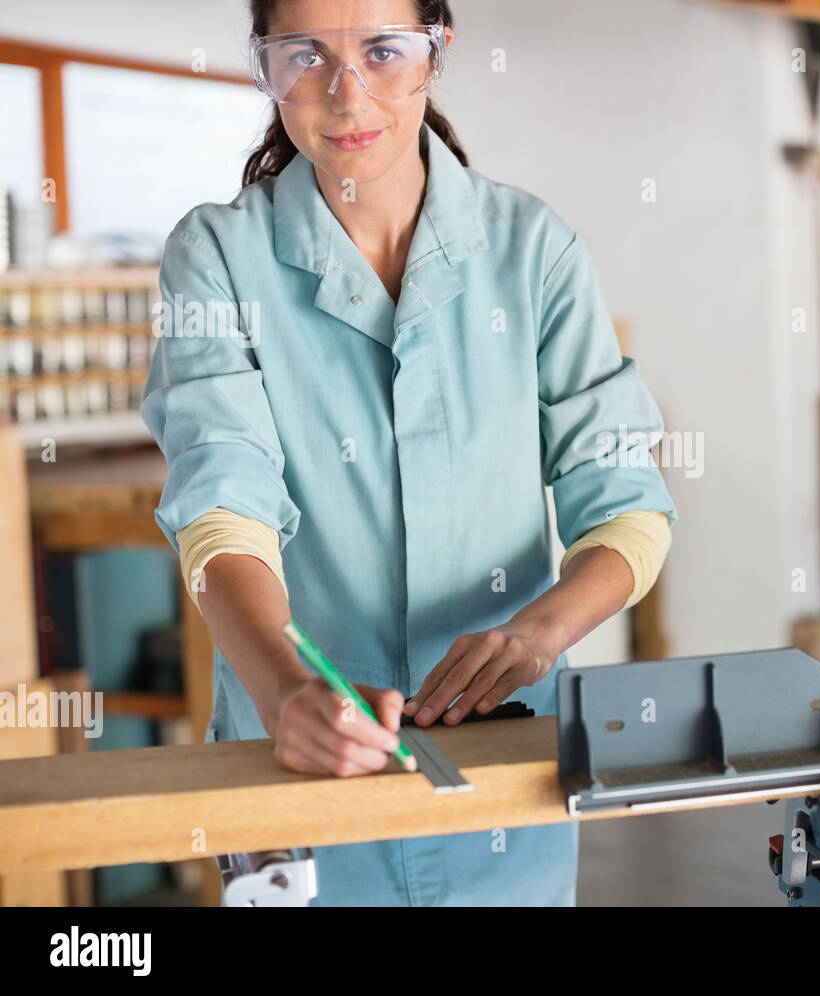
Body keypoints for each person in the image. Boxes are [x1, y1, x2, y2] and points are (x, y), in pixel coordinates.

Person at [142, 0, 677, 906]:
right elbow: (220, 506)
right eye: (303, 55)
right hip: (296, 769)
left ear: (438, 55)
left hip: (506, 767)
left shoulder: (532, 251)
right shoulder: (219, 256)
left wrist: (539, 632)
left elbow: (626, 504)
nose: (347, 95)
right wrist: (287, 695)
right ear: (264, 65)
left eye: (385, 52)